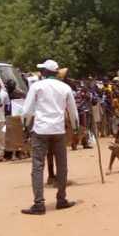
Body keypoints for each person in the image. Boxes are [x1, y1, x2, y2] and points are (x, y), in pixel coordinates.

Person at [20, 60, 79, 215]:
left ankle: (39, 204)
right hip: (58, 130)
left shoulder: (37, 86)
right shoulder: (65, 87)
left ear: (45, 72)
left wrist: (25, 126)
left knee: (38, 167)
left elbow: (27, 110)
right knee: (62, 166)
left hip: (41, 130)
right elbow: (73, 111)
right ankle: (61, 199)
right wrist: (76, 128)